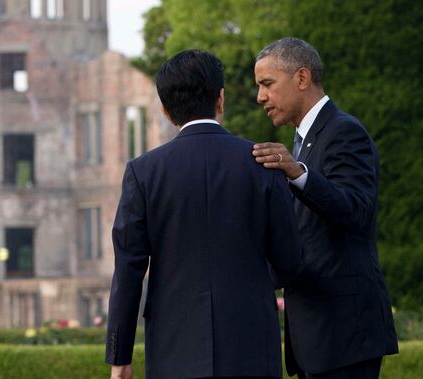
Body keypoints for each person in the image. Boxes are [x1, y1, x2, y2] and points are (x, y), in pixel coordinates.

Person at [106, 49, 304, 379]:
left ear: (167, 112)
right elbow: (290, 261)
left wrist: (119, 357)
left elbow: (128, 270)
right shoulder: (265, 163)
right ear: (220, 99)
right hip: (251, 345)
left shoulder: (143, 173)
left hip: (174, 350)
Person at [252, 38, 398, 379]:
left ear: (302, 78)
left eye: (267, 84)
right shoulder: (304, 141)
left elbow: (356, 210)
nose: (260, 97)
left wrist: (298, 173)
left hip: (344, 336)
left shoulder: (344, 132)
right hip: (317, 340)